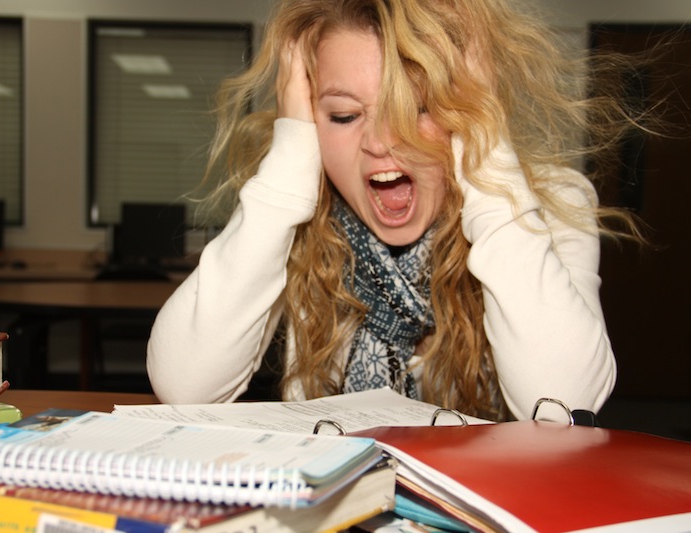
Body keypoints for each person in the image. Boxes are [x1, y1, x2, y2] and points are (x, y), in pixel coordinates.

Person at [147, 0, 641, 421]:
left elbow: (560, 405)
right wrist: (286, 175)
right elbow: (185, 388)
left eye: (420, 107)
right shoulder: (298, 211)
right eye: (344, 115)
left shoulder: (554, 202)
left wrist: (488, 159)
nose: (382, 142)